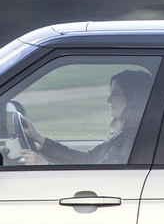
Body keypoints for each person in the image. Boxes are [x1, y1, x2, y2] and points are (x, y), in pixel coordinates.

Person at [19, 68, 153, 165]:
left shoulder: (128, 140)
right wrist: (38, 137)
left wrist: (44, 165)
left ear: (133, 100)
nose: (108, 99)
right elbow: (87, 159)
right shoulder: (127, 135)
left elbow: (99, 179)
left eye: (115, 94)